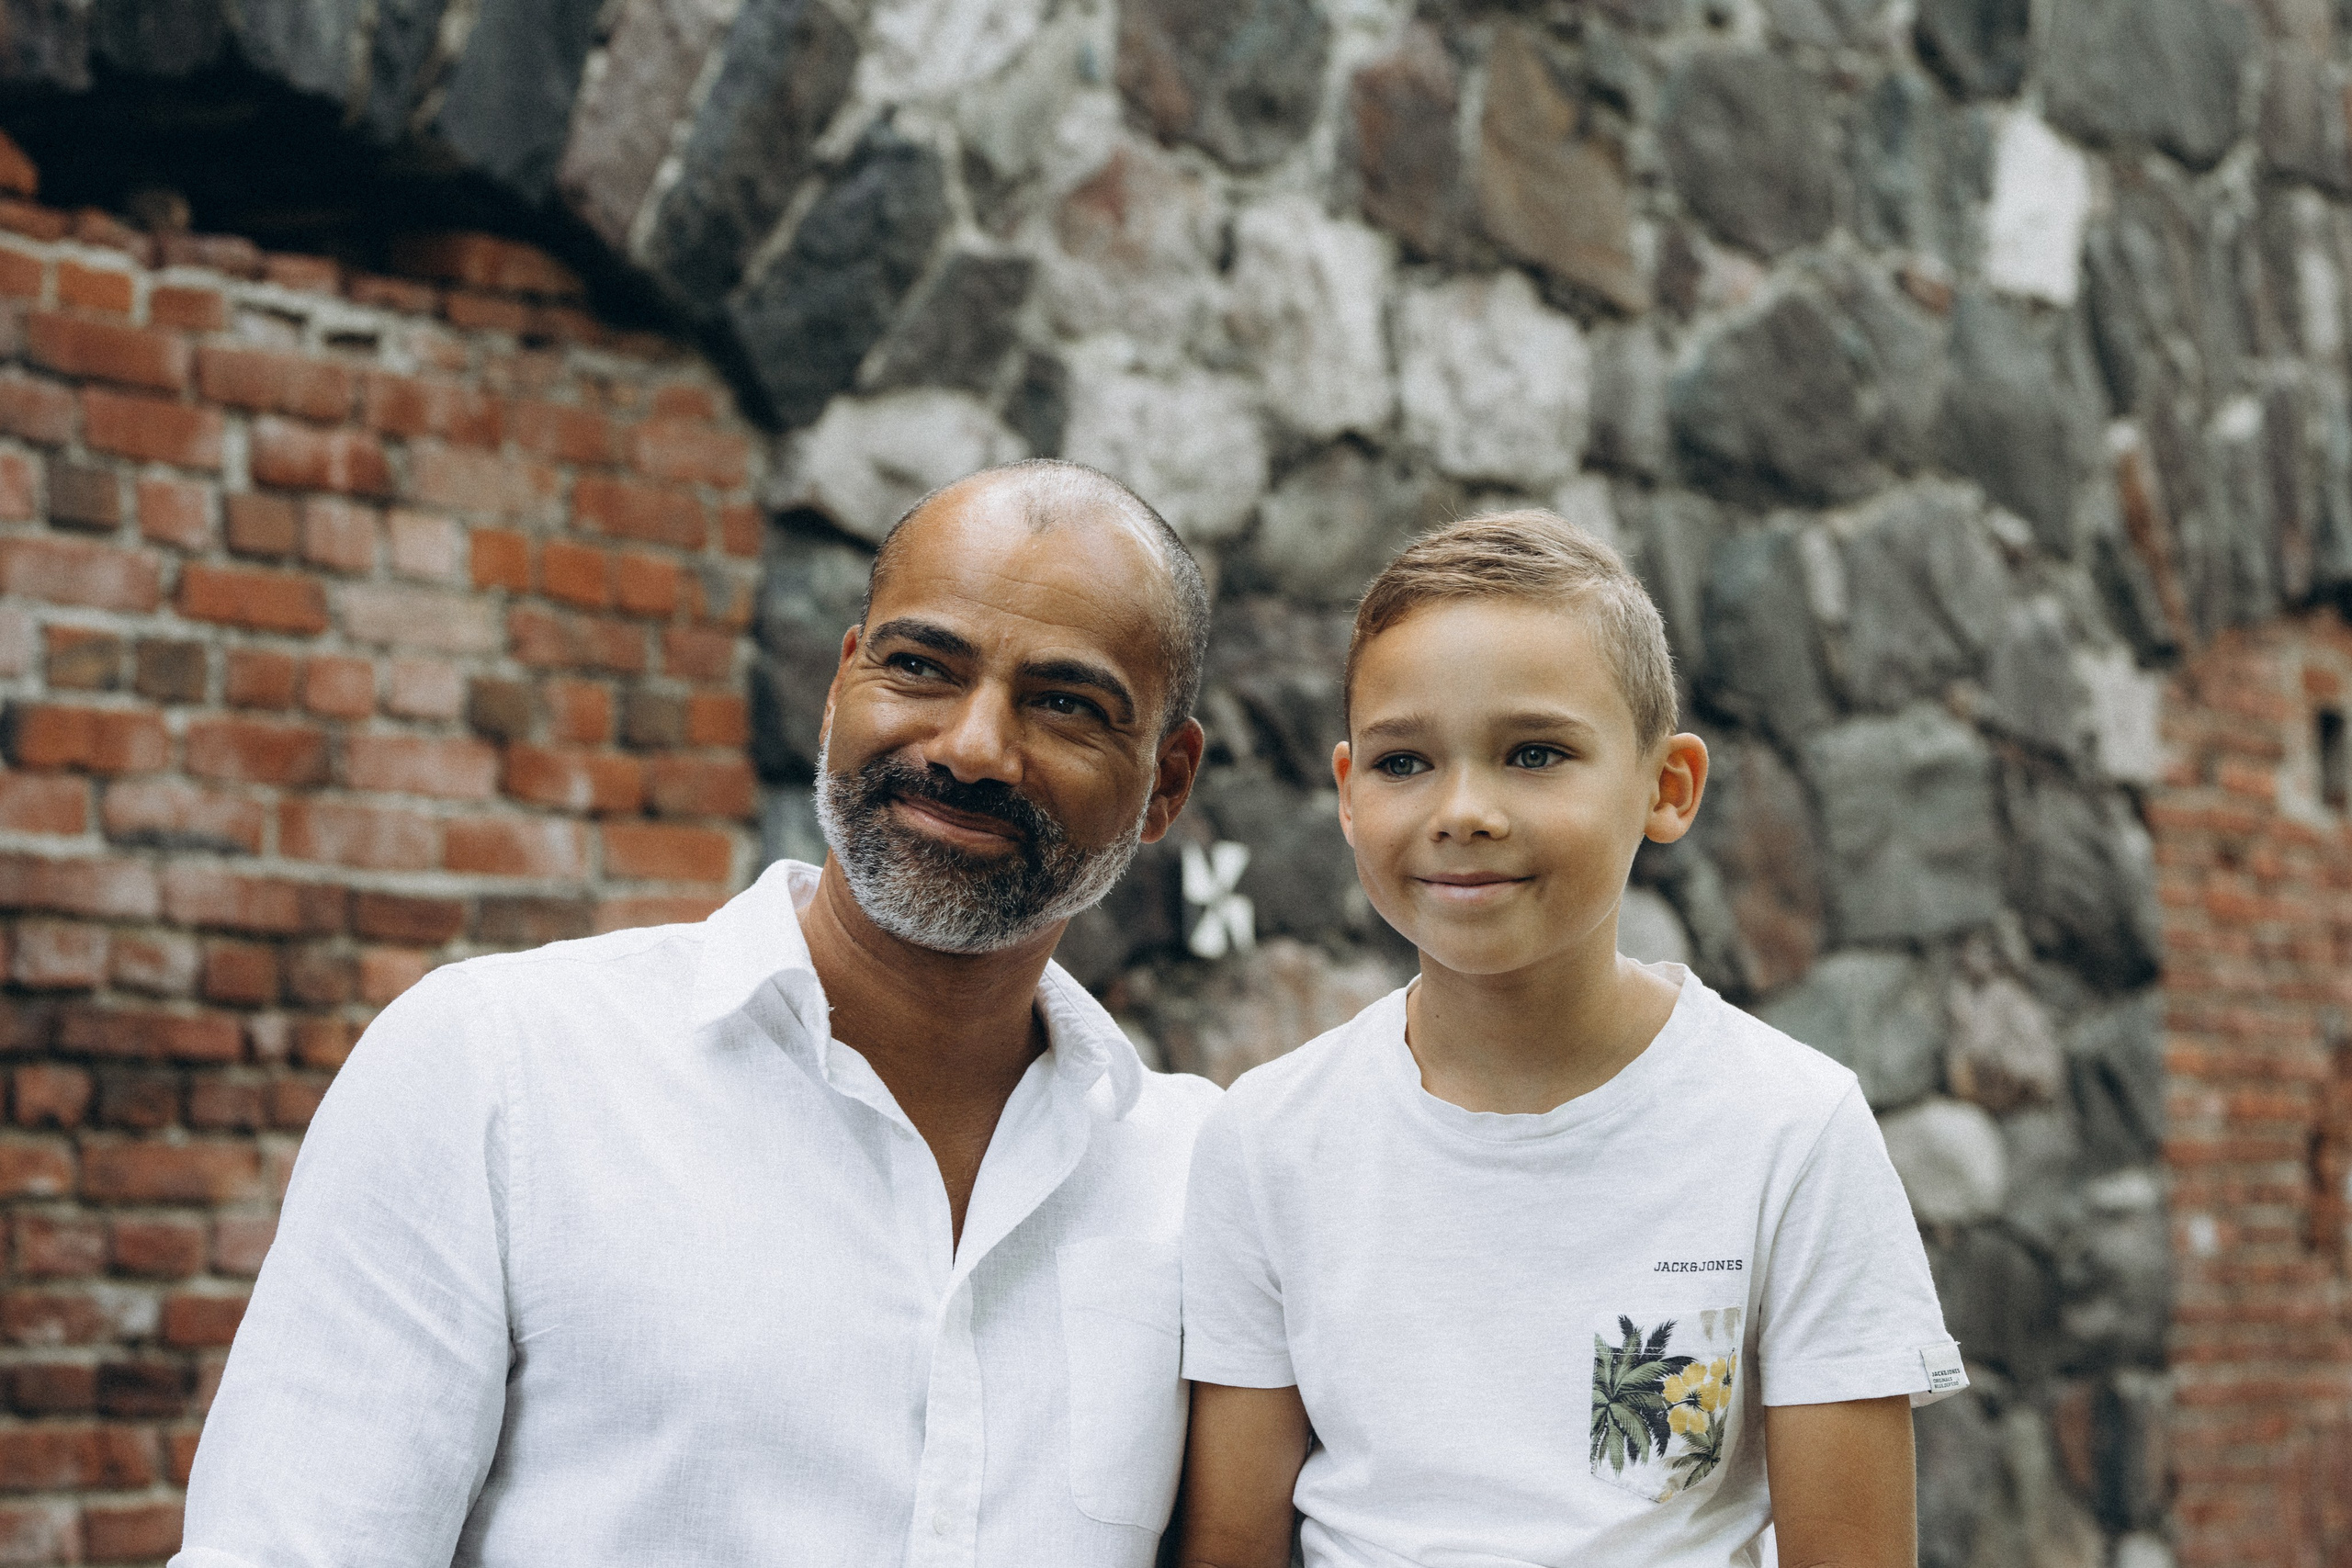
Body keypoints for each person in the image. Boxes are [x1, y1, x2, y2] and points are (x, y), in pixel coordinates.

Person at [172, 460, 1217, 1567]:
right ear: (838, 687)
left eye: (1065, 704)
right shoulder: (500, 1070)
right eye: (920, 666)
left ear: (1165, 783)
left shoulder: (1203, 1176)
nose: (969, 746)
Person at [1176, 512, 1963, 1568]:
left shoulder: (1789, 1129)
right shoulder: (1268, 1139)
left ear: (1666, 787)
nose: (1463, 810)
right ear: (1347, 798)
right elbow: (1233, 1547)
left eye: (1534, 753)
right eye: (1403, 761)